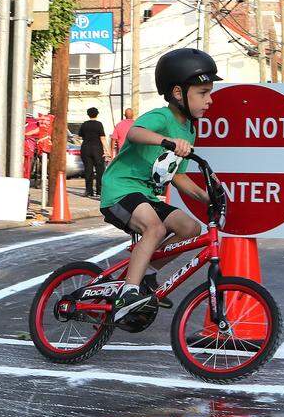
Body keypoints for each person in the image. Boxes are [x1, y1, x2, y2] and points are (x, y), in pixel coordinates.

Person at [99, 48, 218, 320]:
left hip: (147, 196)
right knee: (154, 227)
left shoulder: (189, 129)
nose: (209, 100)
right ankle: (128, 292)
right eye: (203, 93)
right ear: (178, 93)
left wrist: (208, 196)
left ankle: (146, 273)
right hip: (122, 189)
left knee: (190, 228)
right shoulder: (161, 118)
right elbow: (135, 132)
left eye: (209, 92)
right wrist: (166, 141)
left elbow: (177, 176)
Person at [78, 107, 110, 198]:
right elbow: (102, 138)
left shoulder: (84, 124)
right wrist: (108, 150)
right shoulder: (99, 124)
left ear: (88, 114)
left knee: (88, 170)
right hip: (97, 149)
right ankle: (99, 191)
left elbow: (80, 136)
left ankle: (89, 191)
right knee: (100, 170)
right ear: (97, 114)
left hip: (86, 148)